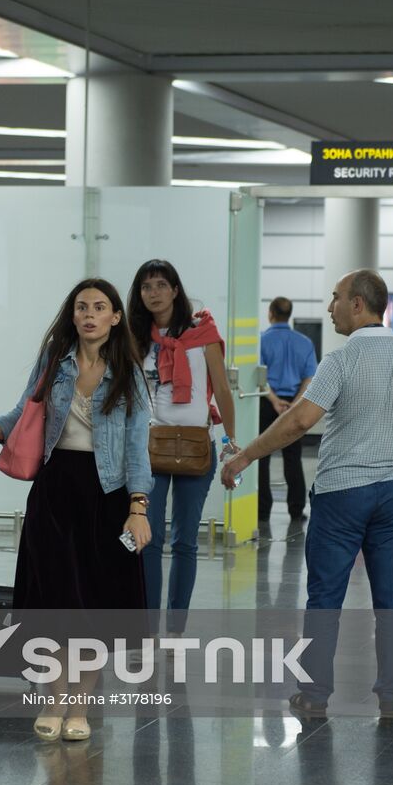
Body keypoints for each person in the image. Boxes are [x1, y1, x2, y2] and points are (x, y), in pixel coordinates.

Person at [221, 269, 393, 717]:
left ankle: (315, 695)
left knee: (325, 597)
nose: (330, 307)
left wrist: (245, 458)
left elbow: (300, 421)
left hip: (342, 493)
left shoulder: (340, 361)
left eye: (335, 298)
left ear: (358, 304)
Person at [0, 278, 152, 743]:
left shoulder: (128, 373)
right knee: (55, 602)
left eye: (99, 307)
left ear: (115, 317)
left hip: (105, 495)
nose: (89, 315)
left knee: (91, 607)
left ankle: (80, 705)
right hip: (54, 490)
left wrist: (138, 507)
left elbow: (136, 446)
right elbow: (26, 411)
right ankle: (52, 699)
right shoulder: (55, 361)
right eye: (81, 307)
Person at [128, 259, 237, 636]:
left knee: (186, 541)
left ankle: (176, 627)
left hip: (195, 447)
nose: (153, 293)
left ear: (176, 290)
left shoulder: (201, 331)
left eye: (160, 284)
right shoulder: (135, 336)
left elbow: (221, 388)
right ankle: (146, 625)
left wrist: (231, 442)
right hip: (149, 449)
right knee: (148, 539)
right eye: (146, 287)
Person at [258, 297, 318, 522]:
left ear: (271, 313)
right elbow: (309, 378)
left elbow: (259, 377)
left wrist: (274, 400)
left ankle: (262, 510)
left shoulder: (262, 341)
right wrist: (295, 404)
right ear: (289, 314)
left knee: (262, 456)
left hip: (266, 402)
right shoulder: (304, 342)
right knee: (293, 457)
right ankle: (296, 509)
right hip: (294, 403)